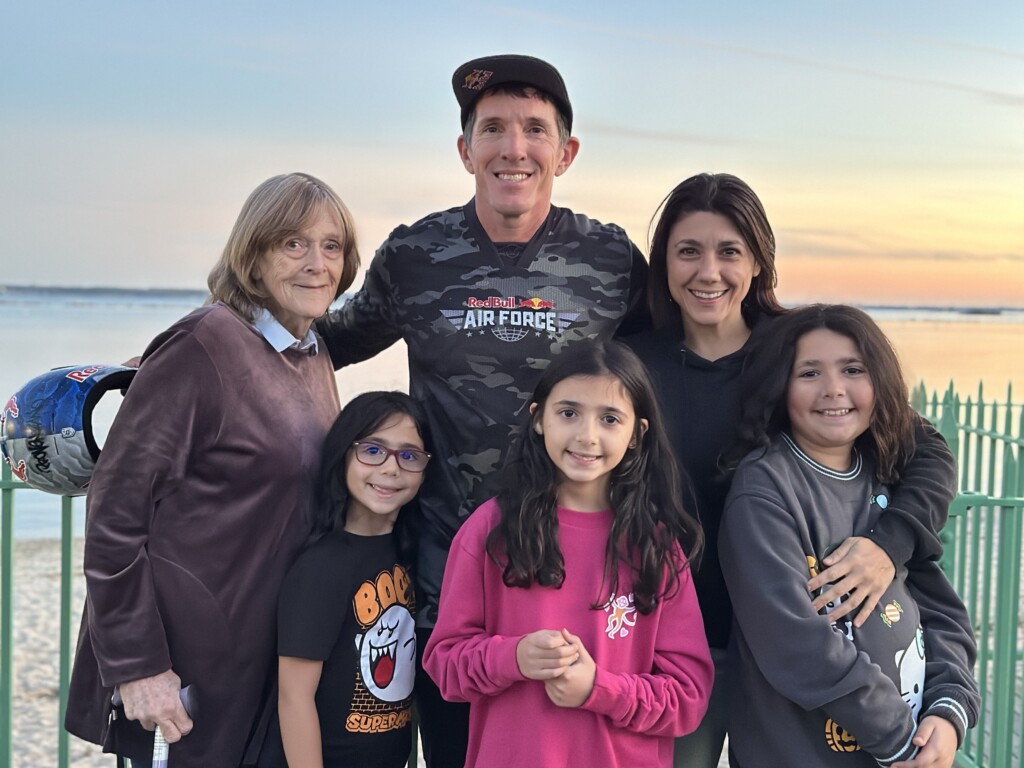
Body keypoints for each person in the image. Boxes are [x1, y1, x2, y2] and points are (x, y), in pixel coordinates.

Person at [316, 54, 648, 767]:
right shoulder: (416, 254)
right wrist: (198, 350)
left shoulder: (612, 259)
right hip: (446, 579)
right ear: (465, 149)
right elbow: (324, 345)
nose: (513, 148)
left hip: (576, 578)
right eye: (492, 128)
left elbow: (687, 359)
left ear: (567, 151)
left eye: (534, 129)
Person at [622, 173, 958, 768]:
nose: (709, 272)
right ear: (663, 265)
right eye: (688, 251)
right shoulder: (630, 364)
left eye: (730, 252)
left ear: (758, 263)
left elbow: (925, 449)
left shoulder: (798, 353)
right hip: (666, 651)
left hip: (790, 651)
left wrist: (890, 543)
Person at [65, 172, 360, 767]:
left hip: (265, 669)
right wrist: (138, 665)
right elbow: (114, 515)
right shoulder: (203, 344)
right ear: (253, 253)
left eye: (332, 246)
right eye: (293, 244)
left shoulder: (312, 354)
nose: (316, 263)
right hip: (185, 678)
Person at [423, 340, 713, 768]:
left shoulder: (655, 545)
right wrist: (514, 657)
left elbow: (687, 698)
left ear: (637, 435)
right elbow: (444, 666)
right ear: (538, 419)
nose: (586, 436)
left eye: (610, 419)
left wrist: (599, 687)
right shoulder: (490, 530)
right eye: (569, 413)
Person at [719, 304, 979, 766]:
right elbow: (796, 646)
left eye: (853, 369)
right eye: (809, 373)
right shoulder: (765, 491)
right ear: (780, 386)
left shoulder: (887, 475)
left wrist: (948, 707)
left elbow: (939, 608)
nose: (834, 389)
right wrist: (898, 739)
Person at [254, 391, 431, 768]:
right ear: (343, 456)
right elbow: (294, 698)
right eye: (372, 450)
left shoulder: (413, 554)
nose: (390, 468)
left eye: (409, 455)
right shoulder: (321, 567)